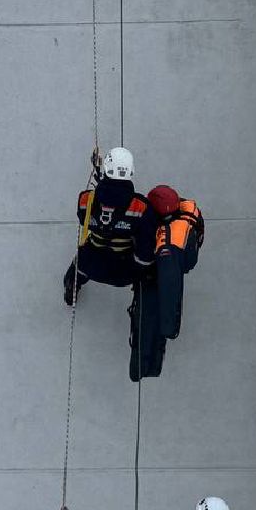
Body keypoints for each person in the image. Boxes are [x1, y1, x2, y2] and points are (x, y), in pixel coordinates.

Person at [63, 147, 157, 306]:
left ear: (106, 168)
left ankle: (71, 285)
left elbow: (83, 219)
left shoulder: (85, 200)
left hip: (90, 265)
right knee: (151, 262)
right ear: (131, 171)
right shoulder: (141, 208)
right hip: (125, 273)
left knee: (79, 263)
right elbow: (145, 253)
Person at [128, 184, 204, 381]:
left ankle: (143, 367)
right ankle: (151, 363)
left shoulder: (166, 246)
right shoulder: (188, 212)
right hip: (182, 257)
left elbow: (170, 290)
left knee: (148, 319)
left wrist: (170, 326)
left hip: (162, 270)